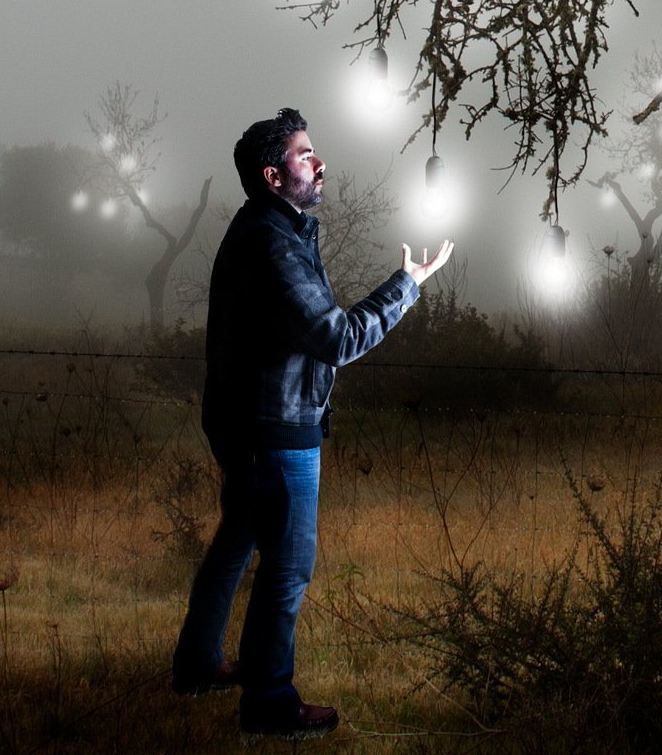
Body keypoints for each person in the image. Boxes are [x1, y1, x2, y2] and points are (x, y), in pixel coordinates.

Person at [171, 107, 452, 740]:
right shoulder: (272, 243)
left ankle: (197, 667)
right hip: (274, 429)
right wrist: (405, 286)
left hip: (251, 423)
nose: (320, 162)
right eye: (305, 155)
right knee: (287, 569)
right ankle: (269, 704)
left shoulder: (273, 229)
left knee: (236, 544)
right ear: (274, 176)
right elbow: (337, 337)